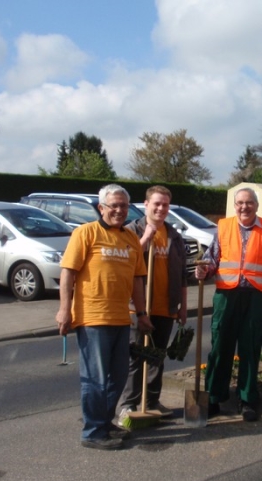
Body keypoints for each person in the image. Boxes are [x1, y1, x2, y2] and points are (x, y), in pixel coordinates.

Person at [56, 184, 153, 451]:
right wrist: (65, 309)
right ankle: (92, 431)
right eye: (114, 206)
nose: (120, 211)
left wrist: (142, 314)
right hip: (92, 318)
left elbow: (137, 280)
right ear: (102, 208)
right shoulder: (85, 233)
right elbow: (68, 273)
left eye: (124, 206)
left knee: (118, 377)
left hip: (122, 318)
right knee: (95, 379)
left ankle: (105, 422)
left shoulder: (132, 238)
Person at [195, 187, 262, 422]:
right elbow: (213, 260)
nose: (244, 207)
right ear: (234, 206)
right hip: (226, 297)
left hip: (255, 297)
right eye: (240, 203)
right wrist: (203, 270)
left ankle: (247, 399)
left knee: (250, 348)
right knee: (220, 348)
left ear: (256, 205)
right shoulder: (223, 227)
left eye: (249, 203)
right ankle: (214, 398)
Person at [117, 185, 188, 423]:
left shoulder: (174, 236)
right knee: (136, 357)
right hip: (138, 307)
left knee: (157, 356)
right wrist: (146, 236)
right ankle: (128, 404)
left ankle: (151, 401)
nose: (161, 208)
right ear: (146, 204)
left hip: (165, 307)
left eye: (165, 205)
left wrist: (183, 306)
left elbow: (182, 276)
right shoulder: (130, 231)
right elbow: (128, 259)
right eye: (156, 203)